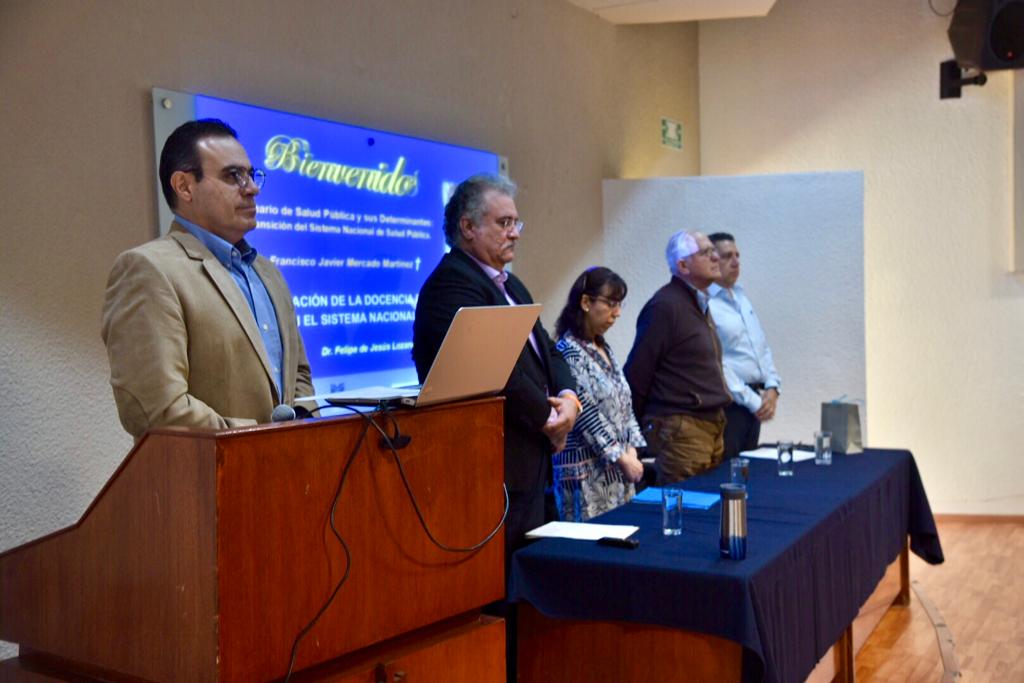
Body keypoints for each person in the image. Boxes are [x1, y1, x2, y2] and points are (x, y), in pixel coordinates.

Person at [102, 119, 313, 439]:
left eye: (251, 175)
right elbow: (158, 409)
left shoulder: (269, 274)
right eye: (233, 176)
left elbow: (298, 376)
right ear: (184, 186)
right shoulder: (148, 269)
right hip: (204, 481)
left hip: (289, 475)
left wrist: (303, 433)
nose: (252, 188)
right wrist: (262, 439)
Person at [412, 173, 579, 555]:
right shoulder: (451, 285)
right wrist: (548, 420)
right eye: (504, 223)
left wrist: (569, 399)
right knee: (502, 588)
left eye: (516, 222)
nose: (515, 233)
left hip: (529, 463)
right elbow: (496, 372)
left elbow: (548, 352)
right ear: (467, 227)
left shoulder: (512, 285)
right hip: (491, 465)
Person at [623, 230, 731, 484]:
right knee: (687, 510)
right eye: (706, 252)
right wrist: (632, 439)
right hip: (681, 431)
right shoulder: (665, 306)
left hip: (710, 426)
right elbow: (638, 374)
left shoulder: (697, 303)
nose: (716, 257)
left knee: (708, 509)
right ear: (683, 265)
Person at [551, 267, 645, 522]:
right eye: (611, 303)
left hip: (617, 471)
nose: (617, 313)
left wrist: (632, 449)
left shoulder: (603, 346)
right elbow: (585, 412)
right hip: (586, 474)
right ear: (585, 302)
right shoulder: (567, 350)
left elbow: (625, 401)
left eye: (620, 304)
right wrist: (621, 456)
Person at [708, 232, 781, 459]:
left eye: (737, 255)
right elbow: (717, 363)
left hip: (755, 401)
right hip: (729, 406)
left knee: (750, 474)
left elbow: (760, 348)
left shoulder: (741, 298)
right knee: (730, 476)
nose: (736, 262)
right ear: (712, 259)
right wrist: (754, 402)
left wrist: (772, 387)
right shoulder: (706, 303)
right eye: (728, 256)